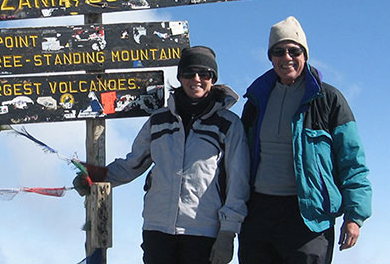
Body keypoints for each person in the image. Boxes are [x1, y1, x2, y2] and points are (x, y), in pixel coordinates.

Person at [74, 46, 250, 264]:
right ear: (180, 77)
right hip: (157, 230)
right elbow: (133, 164)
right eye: (189, 73)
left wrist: (228, 232)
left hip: (203, 232)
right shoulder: (159, 121)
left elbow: (238, 182)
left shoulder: (228, 125)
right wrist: (96, 176)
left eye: (204, 74)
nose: (196, 79)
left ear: (212, 79)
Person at [238, 16, 372, 264]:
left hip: (309, 217)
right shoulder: (256, 99)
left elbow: (352, 161)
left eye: (294, 50)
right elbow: (237, 158)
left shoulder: (328, 99)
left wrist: (355, 216)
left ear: (305, 54)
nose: (286, 57)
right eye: (278, 51)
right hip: (258, 213)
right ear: (270, 57)